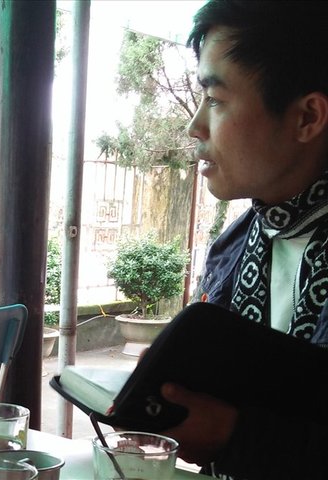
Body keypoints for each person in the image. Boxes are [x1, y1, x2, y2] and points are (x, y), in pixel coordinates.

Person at [158, 1, 328, 479]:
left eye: (215, 99)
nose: (194, 125)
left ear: (307, 117)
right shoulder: (235, 246)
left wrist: (233, 436)